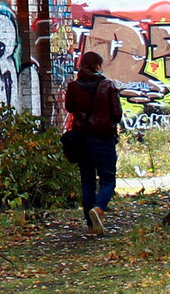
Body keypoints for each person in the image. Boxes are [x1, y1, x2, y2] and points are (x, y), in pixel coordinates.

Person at [64, 50, 121, 236]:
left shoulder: (73, 86)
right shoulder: (108, 86)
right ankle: (98, 209)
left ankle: (90, 228)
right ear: (98, 66)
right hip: (104, 140)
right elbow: (117, 115)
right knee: (108, 181)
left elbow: (69, 107)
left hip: (82, 141)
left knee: (87, 183)